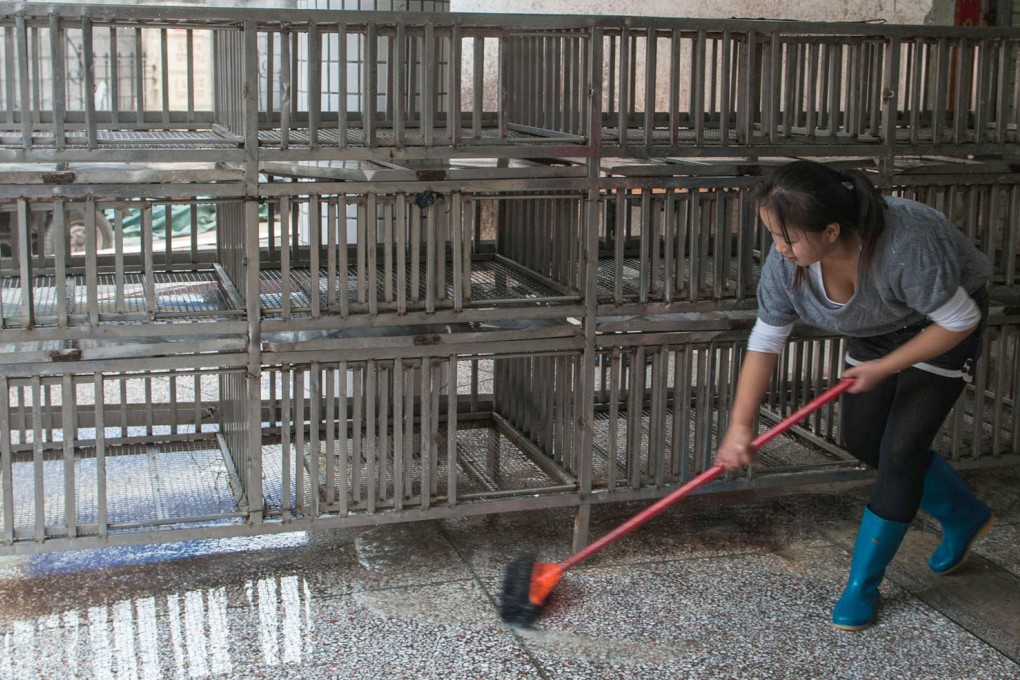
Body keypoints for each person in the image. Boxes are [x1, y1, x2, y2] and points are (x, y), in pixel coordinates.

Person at [714, 159, 995, 631]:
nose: (779, 249)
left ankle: (863, 585)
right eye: (774, 236)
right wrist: (741, 427)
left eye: (789, 238)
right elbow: (765, 341)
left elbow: (960, 320)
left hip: (939, 324)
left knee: (901, 450)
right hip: (878, 326)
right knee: (864, 442)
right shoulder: (788, 266)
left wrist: (885, 367)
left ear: (830, 230)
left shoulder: (906, 247)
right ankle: (965, 514)